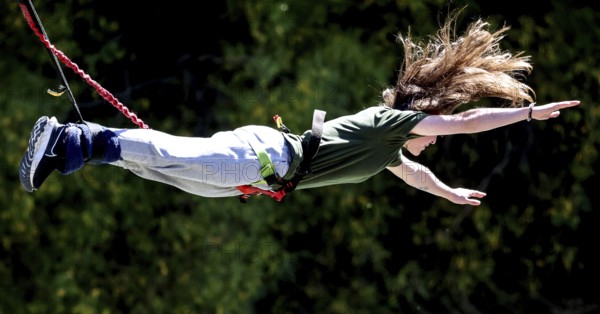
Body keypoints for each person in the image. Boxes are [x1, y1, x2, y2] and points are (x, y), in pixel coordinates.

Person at [19, 10, 580, 206]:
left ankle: (81, 151)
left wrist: (450, 192)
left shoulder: (387, 154)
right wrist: (526, 114)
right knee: (178, 157)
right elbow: (462, 124)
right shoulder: (392, 124)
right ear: (419, 116)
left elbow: (418, 175)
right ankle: (76, 139)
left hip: (264, 178)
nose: (431, 141)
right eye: (429, 132)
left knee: (169, 172)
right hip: (266, 158)